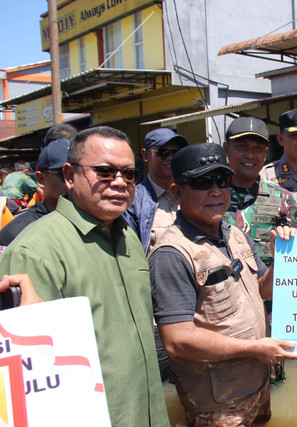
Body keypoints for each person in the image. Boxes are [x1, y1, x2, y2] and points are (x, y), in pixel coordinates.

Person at [0, 126, 170, 427]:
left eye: (129, 174)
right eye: (104, 172)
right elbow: (26, 384)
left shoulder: (127, 237)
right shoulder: (34, 252)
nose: (119, 182)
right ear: (69, 176)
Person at [149, 143, 297, 426]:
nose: (216, 191)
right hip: (217, 404)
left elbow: (262, 289)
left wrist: (282, 258)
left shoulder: (235, 235)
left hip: (256, 384)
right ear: (177, 192)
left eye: (222, 180)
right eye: (202, 182)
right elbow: (177, 341)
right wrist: (255, 349)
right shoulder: (172, 254)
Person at [223, 116, 297, 265]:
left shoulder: (284, 199)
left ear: (265, 154)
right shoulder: (210, 196)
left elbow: (295, 256)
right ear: (226, 149)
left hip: (267, 285)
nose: (250, 155)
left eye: (257, 149)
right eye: (242, 146)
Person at [124, 127, 189, 254]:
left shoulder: (191, 194)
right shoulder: (133, 201)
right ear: (145, 155)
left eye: (176, 152)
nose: (170, 157)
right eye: (163, 152)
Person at [0, 138, 70, 246]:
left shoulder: (98, 221)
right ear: (41, 179)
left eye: (81, 173)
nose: (73, 182)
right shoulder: (16, 233)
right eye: (62, 174)